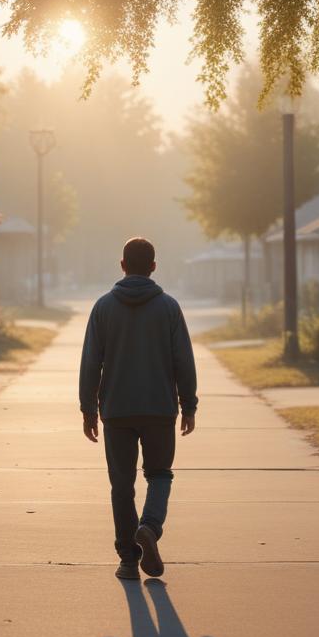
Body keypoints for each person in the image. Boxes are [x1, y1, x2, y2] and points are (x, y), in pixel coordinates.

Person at [79, 237, 198, 580]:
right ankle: (149, 526)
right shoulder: (169, 308)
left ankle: (128, 560)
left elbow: (91, 363)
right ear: (154, 267)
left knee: (121, 484)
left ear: (122, 265)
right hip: (160, 409)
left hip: (116, 411)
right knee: (159, 474)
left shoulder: (103, 307)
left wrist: (88, 409)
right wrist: (188, 404)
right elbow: (183, 361)